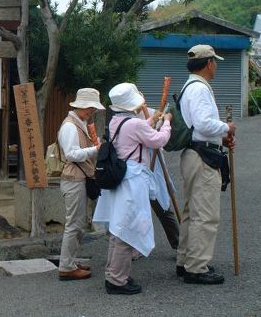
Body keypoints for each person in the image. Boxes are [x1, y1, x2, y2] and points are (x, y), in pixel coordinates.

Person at [93, 83, 172, 295]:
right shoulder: (133, 124)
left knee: (118, 228)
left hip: (121, 178)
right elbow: (158, 140)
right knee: (127, 231)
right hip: (133, 180)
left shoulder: (116, 121)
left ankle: (114, 275)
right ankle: (117, 281)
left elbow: (134, 132)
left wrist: (151, 120)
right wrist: (166, 123)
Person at [176, 44, 235, 285]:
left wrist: (221, 136)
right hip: (202, 157)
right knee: (205, 214)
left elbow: (197, 125)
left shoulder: (189, 86)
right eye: (215, 61)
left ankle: (186, 260)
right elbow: (203, 123)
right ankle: (197, 267)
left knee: (192, 212)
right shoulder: (199, 89)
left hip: (195, 153)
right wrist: (226, 128)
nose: (217, 66)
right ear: (208, 63)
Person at [56, 88, 105, 281]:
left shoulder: (79, 123)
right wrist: (95, 149)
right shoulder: (70, 126)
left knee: (77, 224)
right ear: (83, 106)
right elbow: (71, 154)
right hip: (74, 179)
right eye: (91, 108)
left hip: (78, 178)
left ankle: (70, 262)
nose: (92, 112)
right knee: (74, 225)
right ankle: (66, 266)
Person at [139, 106, 180, 250]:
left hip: (152, 164)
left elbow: (160, 134)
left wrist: (162, 121)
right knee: (135, 211)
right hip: (135, 169)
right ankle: (133, 246)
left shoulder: (150, 113)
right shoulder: (124, 119)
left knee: (162, 204)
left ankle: (178, 243)